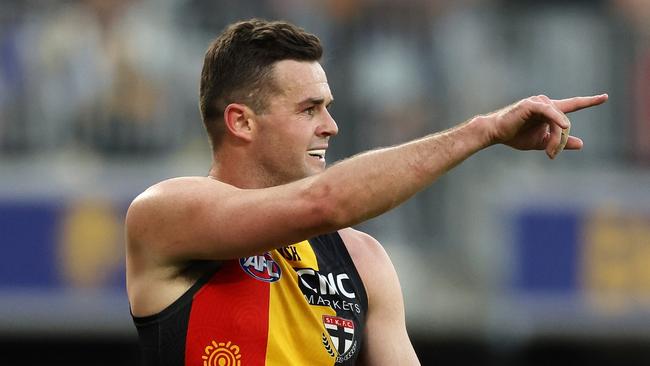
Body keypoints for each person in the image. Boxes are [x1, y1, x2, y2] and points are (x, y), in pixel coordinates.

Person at [125, 19, 608, 366]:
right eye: (309, 109)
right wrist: (483, 131)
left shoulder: (362, 259)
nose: (331, 126)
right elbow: (326, 203)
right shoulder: (165, 216)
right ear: (241, 121)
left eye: (328, 107)